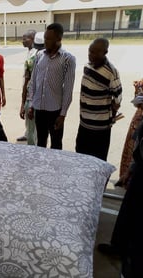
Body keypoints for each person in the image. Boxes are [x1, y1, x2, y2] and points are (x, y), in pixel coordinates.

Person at [98, 119, 143, 277]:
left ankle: (131, 263)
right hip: (140, 165)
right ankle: (119, 246)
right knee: (128, 209)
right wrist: (132, 168)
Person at [27, 23, 76, 149]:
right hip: (39, 108)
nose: (45, 42)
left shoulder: (68, 59)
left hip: (55, 111)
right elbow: (33, 81)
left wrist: (63, 114)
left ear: (59, 39)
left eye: (49, 39)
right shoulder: (39, 56)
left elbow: (68, 89)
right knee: (41, 142)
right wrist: (32, 104)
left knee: (56, 144)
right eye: (45, 38)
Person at [75, 38, 122, 161]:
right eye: (90, 52)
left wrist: (112, 114)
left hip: (100, 128)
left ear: (105, 52)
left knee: (98, 160)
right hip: (84, 123)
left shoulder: (111, 72)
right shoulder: (87, 66)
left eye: (96, 52)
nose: (91, 55)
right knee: (80, 155)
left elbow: (118, 98)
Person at [18, 30, 44, 145]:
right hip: (29, 91)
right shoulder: (30, 53)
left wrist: (24, 102)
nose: (23, 41)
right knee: (32, 126)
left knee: (34, 127)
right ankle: (28, 133)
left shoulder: (34, 56)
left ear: (33, 39)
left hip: (33, 95)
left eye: (25, 38)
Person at [116, 79, 143, 187]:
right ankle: (128, 179)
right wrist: (138, 90)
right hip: (139, 120)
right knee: (134, 149)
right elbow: (137, 101)